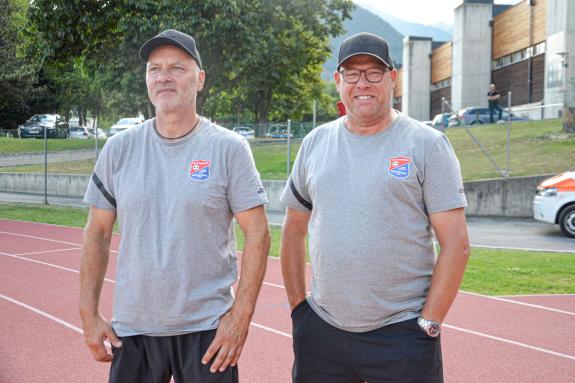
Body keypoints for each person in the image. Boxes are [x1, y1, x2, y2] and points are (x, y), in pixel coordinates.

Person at [79, 29, 271, 383]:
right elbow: (97, 234)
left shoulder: (228, 148)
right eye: (155, 69)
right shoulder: (119, 149)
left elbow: (258, 231)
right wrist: (88, 314)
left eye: (177, 68)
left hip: (207, 331)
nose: (164, 76)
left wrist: (241, 316)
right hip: (133, 331)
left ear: (200, 79)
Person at [280, 32, 470, 383]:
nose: (362, 83)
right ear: (338, 81)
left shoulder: (427, 144)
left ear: (392, 78)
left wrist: (427, 324)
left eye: (374, 73)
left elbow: (456, 244)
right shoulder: (315, 144)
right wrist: (298, 310)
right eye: (351, 74)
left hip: (401, 333)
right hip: (322, 331)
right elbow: (293, 229)